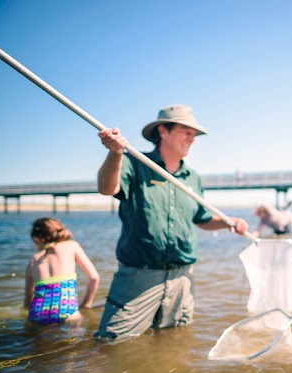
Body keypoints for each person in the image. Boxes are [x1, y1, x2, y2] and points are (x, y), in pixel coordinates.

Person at [94, 105, 249, 342]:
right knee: (111, 343)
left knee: (175, 341)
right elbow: (107, 188)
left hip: (182, 278)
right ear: (162, 131)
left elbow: (201, 219)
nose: (192, 138)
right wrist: (115, 153)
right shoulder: (133, 162)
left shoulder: (193, 177)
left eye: (194, 134)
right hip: (139, 276)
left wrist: (230, 223)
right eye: (186, 131)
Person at [24, 218, 99, 325]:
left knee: (40, 341)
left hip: (37, 313)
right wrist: (86, 304)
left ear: (37, 239)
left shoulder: (33, 260)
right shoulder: (71, 245)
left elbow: (27, 303)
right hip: (66, 310)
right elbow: (94, 277)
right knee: (74, 340)